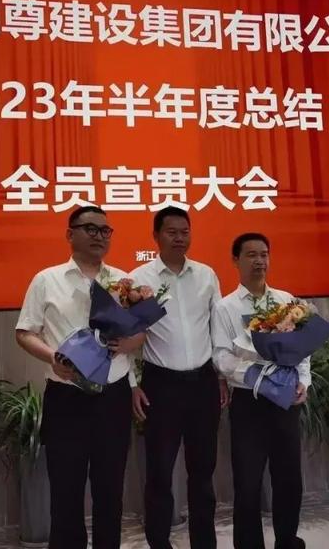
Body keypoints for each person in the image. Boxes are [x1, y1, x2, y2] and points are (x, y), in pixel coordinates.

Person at [15, 205, 145, 549]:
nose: (99, 236)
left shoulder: (123, 282)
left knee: (110, 490)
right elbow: (25, 332)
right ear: (70, 234)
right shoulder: (47, 280)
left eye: (105, 230)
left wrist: (128, 344)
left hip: (112, 396)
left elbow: (140, 334)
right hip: (66, 396)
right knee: (65, 490)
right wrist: (52, 358)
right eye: (90, 228)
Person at [130, 206, 229, 549]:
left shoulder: (206, 275)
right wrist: (132, 384)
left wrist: (221, 375)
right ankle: (159, 542)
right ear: (155, 236)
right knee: (159, 472)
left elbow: (218, 329)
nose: (179, 238)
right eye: (171, 232)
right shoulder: (139, 279)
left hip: (203, 384)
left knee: (202, 472)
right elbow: (126, 335)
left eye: (185, 232)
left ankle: (205, 542)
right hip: (161, 385)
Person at [212, 232, 310, 549]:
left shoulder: (285, 301)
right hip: (248, 401)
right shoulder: (225, 307)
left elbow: (302, 349)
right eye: (251, 255)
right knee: (248, 482)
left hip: (285, 399)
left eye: (264, 254)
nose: (259, 261)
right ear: (236, 260)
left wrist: (303, 381)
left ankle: (287, 539)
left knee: (289, 478)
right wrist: (256, 375)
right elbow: (221, 356)